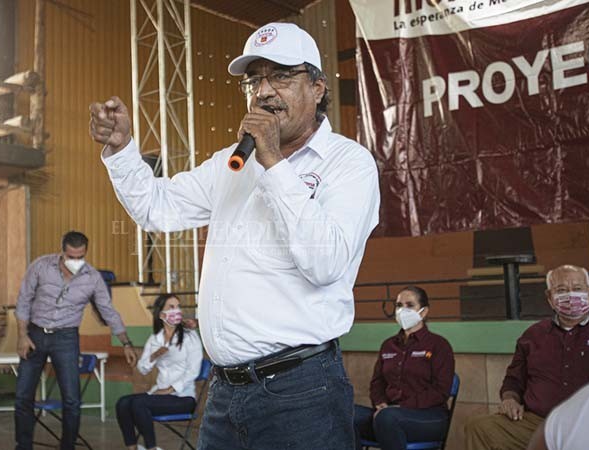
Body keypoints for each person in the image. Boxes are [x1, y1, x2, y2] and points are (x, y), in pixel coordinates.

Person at [91, 21, 380, 450]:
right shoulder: (230, 163)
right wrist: (122, 150)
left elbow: (327, 263)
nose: (263, 90)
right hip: (225, 393)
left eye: (280, 75)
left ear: (318, 88)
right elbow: (156, 207)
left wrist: (272, 163)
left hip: (300, 393)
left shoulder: (349, 164)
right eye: (254, 79)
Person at [466, 264, 589, 450]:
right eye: (561, 290)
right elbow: (514, 381)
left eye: (577, 289)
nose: (571, 295)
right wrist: (510, 400)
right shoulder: (533, 335)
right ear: (550, 298)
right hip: (538, 423)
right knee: (481, 428)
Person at [14, 231, 139, 450]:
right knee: (23, 396)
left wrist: (126, 342)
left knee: (72, 399)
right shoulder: (41, 266)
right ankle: (23, 446)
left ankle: (68, 446)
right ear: (62, 251)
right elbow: (23, 300)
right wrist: (22, 335)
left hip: (66, 338)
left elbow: (108, 311)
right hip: (35, 334)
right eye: (71, 256)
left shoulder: (92, 278)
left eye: (80, 256)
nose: (75, 261)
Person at [353, 287, 455, 450]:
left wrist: (403, 407)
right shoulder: (388, 345)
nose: (402, 310)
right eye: (399, 305)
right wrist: (380, 403)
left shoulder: (439, 345)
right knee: (347, 415)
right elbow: (377, 383)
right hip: (387, 413)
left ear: (423, 312)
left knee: (388, 418)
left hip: (428, 416)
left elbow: (441, 390)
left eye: (409, 305)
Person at [116, 294, 203, 450]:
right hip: (159, 395)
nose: (177, 310)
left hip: (183, 397)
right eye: (171, 307)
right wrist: (155, 355)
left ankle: (151, 448)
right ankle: (132, 448)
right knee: (122, 403)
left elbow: (193, 371)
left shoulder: (190, 337)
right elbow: (142, 369)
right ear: (161, 315)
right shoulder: (155, 339)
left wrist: (170, 389)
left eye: (177, 306)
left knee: (138, 404)